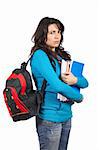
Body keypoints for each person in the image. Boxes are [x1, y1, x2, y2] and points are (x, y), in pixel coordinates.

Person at [30, 17, 88, 150]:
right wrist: (79, 97)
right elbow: (57, 85)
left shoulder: (62, 57)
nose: (57, 36)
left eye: (59, 32)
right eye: (52, 33)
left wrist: (75, 80)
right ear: (43, 35)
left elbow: (85, 83)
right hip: (49, 118)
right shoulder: (40, 55)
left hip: (66, 115)